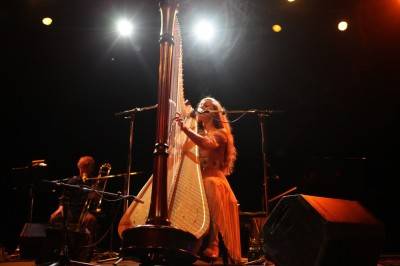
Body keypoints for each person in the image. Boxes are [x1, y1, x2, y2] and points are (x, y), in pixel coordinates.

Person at [175, 97, 242, 263]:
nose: (202, 107)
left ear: (214, 113)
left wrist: (185, 129)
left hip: (215, 181)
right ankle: (188, 241)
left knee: (208, 185)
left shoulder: (221, 134)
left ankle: (214, 244)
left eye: (207, 106)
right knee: (189, 189)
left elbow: (207, 144)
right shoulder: (198, 133)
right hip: (200, 179)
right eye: (201, 105)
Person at [49, 155, 98, 261]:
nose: (85, 168)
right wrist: (60, 208)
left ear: (91, 168)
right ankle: (57, 252)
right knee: (54, 218)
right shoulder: (72, 181)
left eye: (87, 166)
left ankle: (84, 256)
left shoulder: (94, 182)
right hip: (72, 210)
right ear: (79, 167)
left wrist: (94, 195)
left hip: (86, 211)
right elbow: (64, 197)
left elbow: (97, 202)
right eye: (83, 166)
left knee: (91, 220)